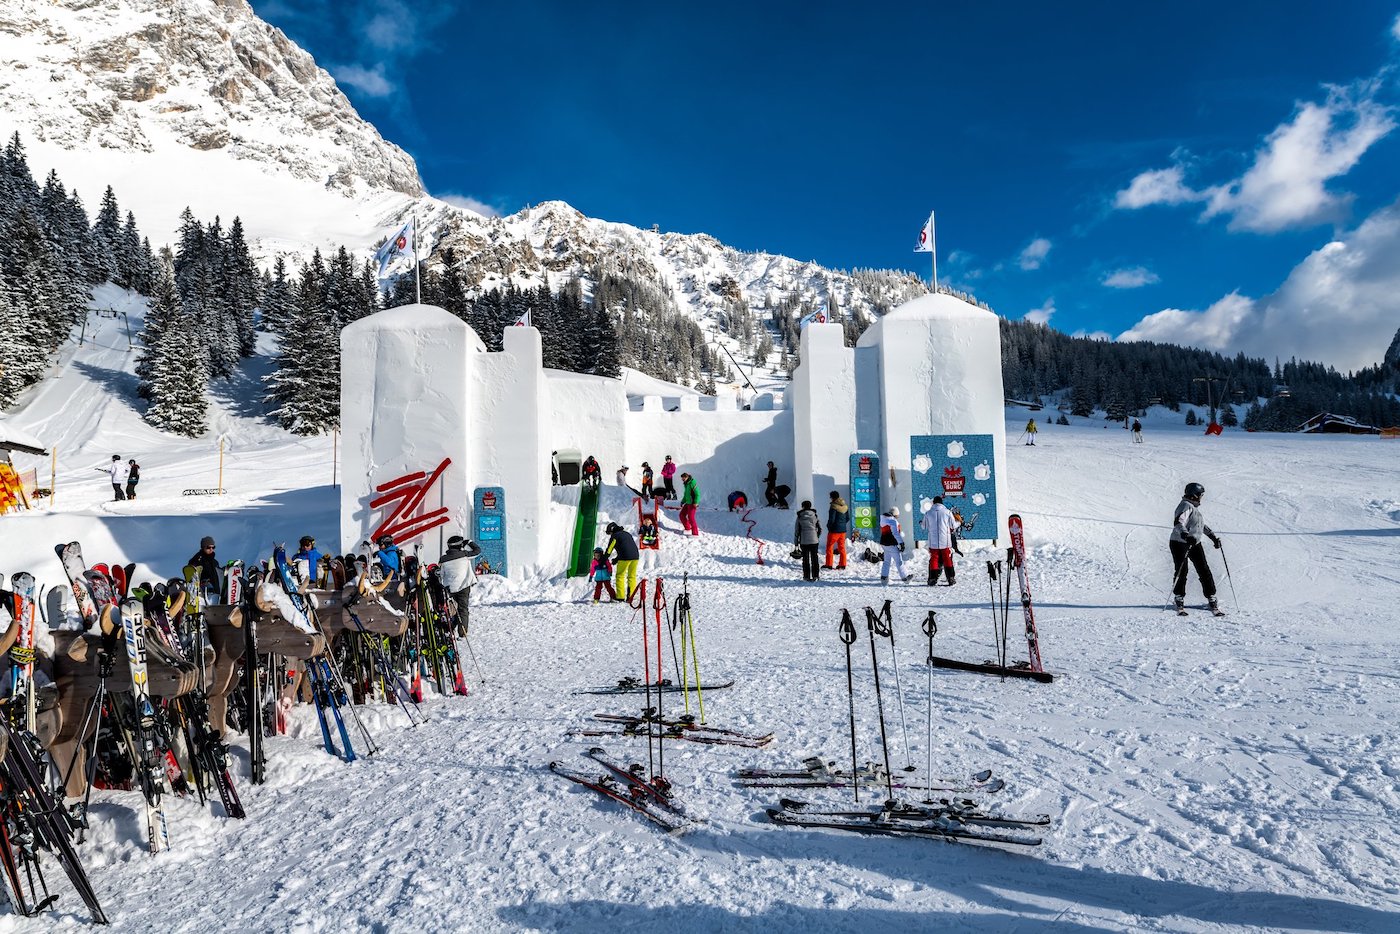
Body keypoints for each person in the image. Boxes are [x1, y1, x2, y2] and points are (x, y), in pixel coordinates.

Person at [1170, 482, 1222, 615]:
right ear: (1194, 495)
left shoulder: (1193, 508)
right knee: (1182, 570)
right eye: (1200, 495)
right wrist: (1185, 535)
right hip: (1179, 542)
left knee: (1203, 569)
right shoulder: (1185, 506)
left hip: (1194, 543)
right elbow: (1178, 522)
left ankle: (1211, 597)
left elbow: (1201, 526)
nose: (1201, 497)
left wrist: (1213, 537)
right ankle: (1179, 597)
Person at [438, 535, 482, 634]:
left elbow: (441, 574)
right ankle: (462, 632)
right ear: (460, 546)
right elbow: (478, 550)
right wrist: (469, 542)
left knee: (452, 609)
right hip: (464, 586)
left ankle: (449, 628)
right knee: (463, 609)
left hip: (450, 588)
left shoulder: (443, 559)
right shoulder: (465, 555)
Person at [921, 495, 959, 586]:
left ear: (933, 503)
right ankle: (950, 578)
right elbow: (953, 526)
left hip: (933, 541)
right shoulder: (947, 512)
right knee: (947, 558)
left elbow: (924, 526)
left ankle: (933, 578)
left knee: (934, 559)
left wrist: (920, 523)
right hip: (945, 541)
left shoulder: (928, 513)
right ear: (942, 502)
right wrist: (959, 522)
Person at [604, 521, 640, 600]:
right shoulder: (627, 534)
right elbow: (627, 547)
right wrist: (617, 559)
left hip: (624, 558)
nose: (610, 535)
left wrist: (604, 558)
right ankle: (631, 596)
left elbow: (609, 549)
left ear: (612, 531)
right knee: (632, 576)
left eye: (609, 533)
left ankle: (620, 596)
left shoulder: (615, 536)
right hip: (635, 556)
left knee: (620, 575)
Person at [878, 507, 911, 583]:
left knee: (887, 561)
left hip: (884, 543)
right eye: (897, 516)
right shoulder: (892, 521)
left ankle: (884, 577)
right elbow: (895, 533)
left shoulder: (884, 519)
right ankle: (905, 577)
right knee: (899, 561)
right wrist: (901, 543)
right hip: (891, 543)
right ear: (895, 515)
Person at [794, 500, 823, 582]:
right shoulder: (815, 515)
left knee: (805, 559)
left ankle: (806, 576)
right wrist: (816, 536)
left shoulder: (799, 516)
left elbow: (797, 531)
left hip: (804, 540)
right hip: (814, 540)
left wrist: (796, 542)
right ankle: (816, 576)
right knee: (815, 558)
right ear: (810, 506)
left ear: (803, 507)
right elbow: (820, 528)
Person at [187, 536, 223, 602]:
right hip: (203, 591)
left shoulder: (215, 562)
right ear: (203, 547)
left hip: (216, 592)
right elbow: (191, 574)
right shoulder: (197, 559)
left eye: (213, 547)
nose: (211, 549)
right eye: (208, 547)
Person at [825, 491, 850, 570]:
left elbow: (831, 519)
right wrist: (842, 524)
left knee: (829, 547)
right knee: (842, 548)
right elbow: (847, 518)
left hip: (834, 531)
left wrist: (829, 527)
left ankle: (829, 564)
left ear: (832, 497)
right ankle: (843, 564)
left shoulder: (833, 506)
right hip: (843, 531)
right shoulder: (845, 506)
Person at [679, 471, 701, 536]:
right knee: (682, 515)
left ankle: (695, 533)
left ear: (687, 477)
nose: (682, 480)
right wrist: (683, 501)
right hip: (688, 503)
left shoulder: (692, 483)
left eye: (683, 478)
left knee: (691, 518)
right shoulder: (686, 484)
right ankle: (688, 528)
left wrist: (696, 502)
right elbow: (686, 495)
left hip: (692, 504)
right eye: (682, 479)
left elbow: (698, 494)